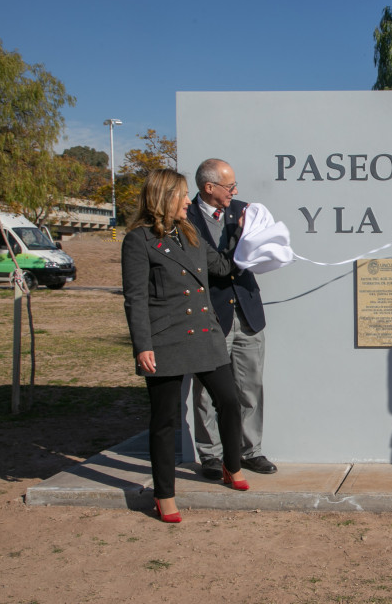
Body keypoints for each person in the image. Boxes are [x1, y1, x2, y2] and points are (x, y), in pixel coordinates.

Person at [121, 169, 251, 523]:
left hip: (205, 335)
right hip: (164, 340)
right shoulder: (138, 240)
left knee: (228, 400)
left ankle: (231, 465)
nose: (186, 202)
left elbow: (222, 267)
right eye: (180, 196)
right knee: (164, 420)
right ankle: (164, 494)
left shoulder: (190, 233)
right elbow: (135, 299)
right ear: (163, 199)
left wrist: (242, 231)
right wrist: (142, 345)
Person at [187, 159, 277, 479]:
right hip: (210, 316)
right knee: (206, 391)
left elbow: (266, 246)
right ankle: (210, 454)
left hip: (248, 313)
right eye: (229, 186)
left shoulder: (243, 209)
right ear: (208, 188)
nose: (235, 192)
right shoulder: (186, 218)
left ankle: (249, 450)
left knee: (250, 387)